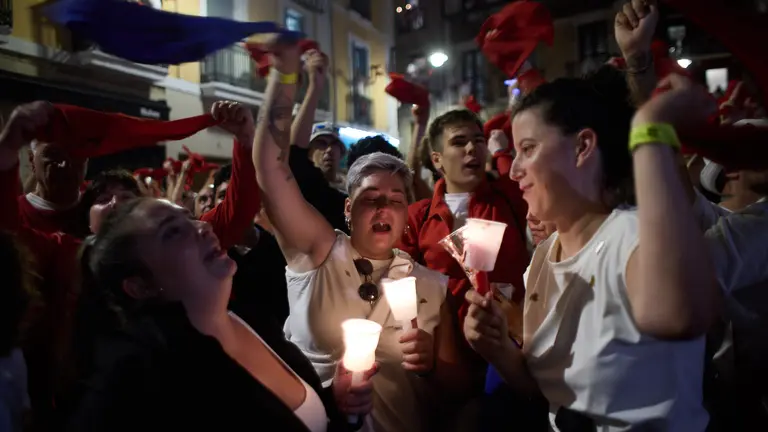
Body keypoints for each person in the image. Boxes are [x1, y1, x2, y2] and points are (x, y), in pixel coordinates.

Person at [464, 68, 720, 429]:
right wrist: (499, 351)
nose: (513, 170)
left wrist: (651, 130)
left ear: (583, 146)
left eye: (528, 149)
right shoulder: (543, 257)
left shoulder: (635, 239)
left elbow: (677, 316)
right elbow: (549, 393)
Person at [253, 38, 466, 431]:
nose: (384, 207)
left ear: (407, 213)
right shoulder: (316, 253)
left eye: (396, 199)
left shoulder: (432, 287)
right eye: (370, 198)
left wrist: (430, 363)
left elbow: (458, 392)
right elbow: (270, 167)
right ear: (348, 209)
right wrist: (285, 75)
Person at [70, 197, 374, 432]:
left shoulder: (249, 317)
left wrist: (335, 403)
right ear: (140, 285)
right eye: (173, 231)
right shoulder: (144, 377)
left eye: (189, 217)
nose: (202, 227)